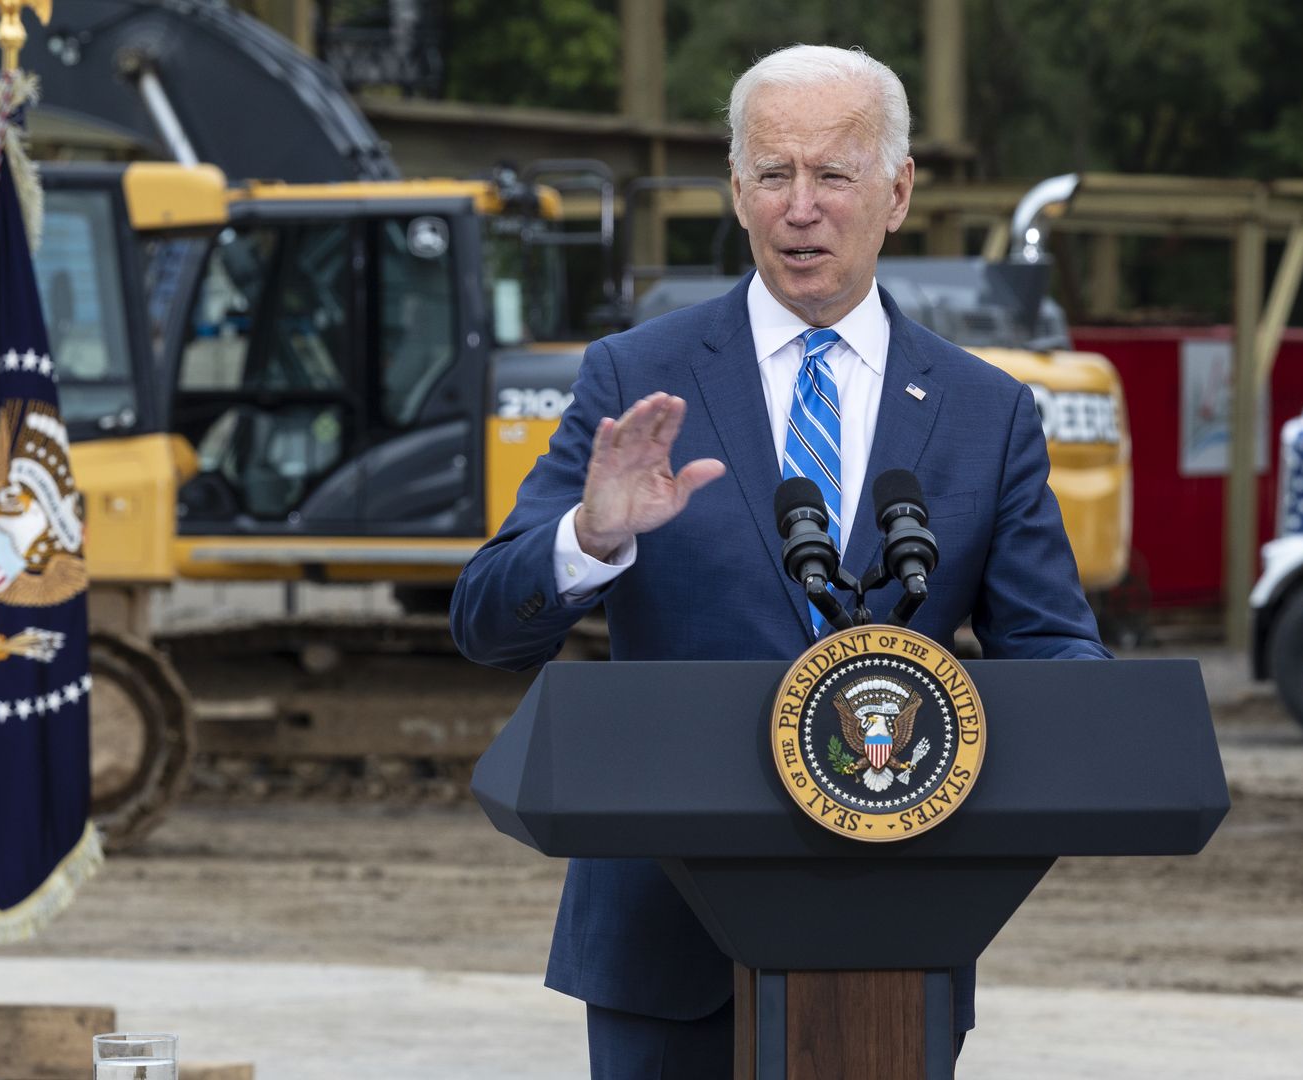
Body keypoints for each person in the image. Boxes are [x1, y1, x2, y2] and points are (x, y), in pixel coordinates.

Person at [449, 43, 1110, 1079]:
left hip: (897, 931)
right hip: (665, 946)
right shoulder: (636, 376)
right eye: (773, 174)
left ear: (896, 195)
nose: (800, 207)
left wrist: (1101, 729)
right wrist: (593, 538)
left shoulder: (987, 412)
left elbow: (1055, 651)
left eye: (833, 175)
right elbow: (487, 617)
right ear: (737, 191)